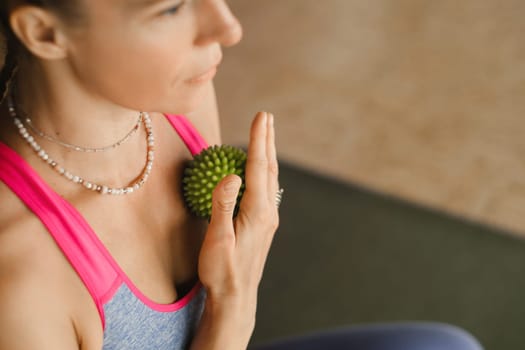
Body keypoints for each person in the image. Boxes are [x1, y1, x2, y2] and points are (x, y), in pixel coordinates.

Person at [0, 1, 483, 349]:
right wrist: (231, 312)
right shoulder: (20, 284)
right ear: (45, 32)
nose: (228, 26)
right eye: (170, 9)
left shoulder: (172, 108)